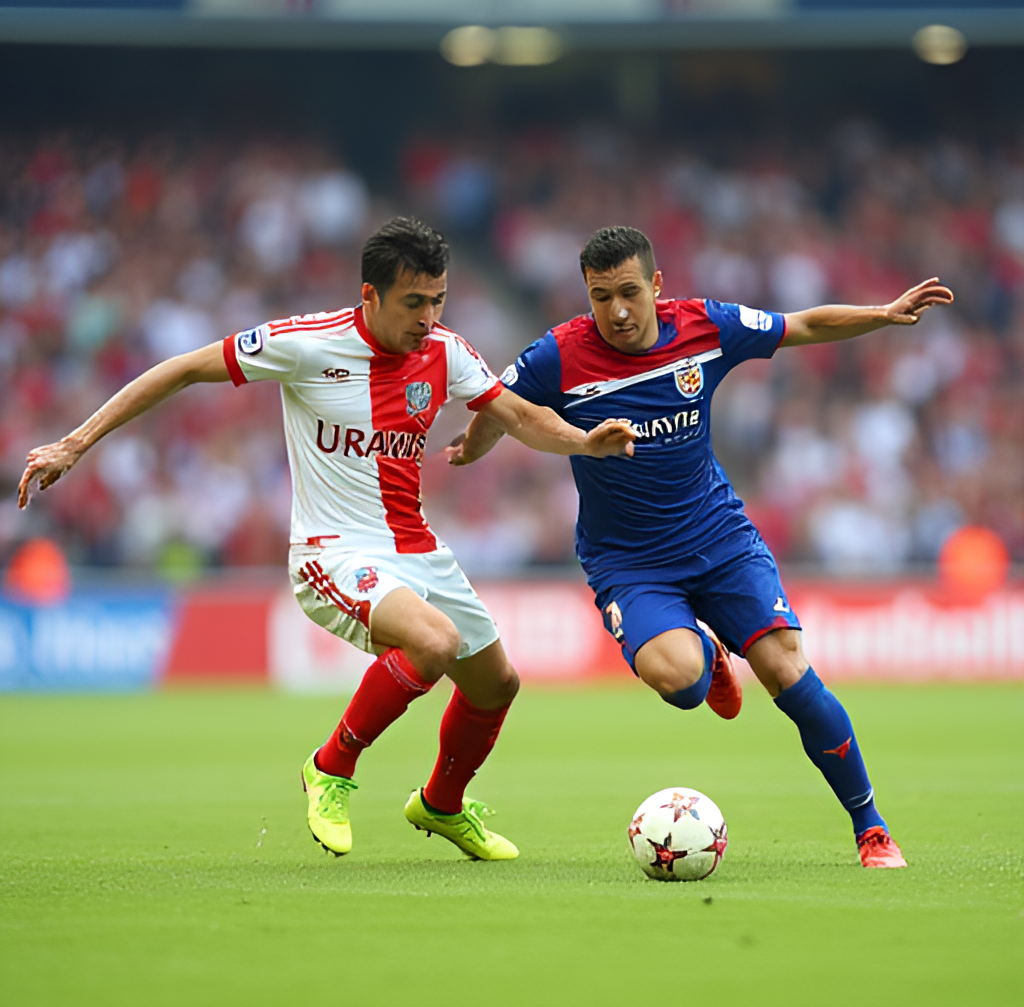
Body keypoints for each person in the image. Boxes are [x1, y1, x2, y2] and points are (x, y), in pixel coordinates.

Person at [18, 216, 635, 862]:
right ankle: (330, 768)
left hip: (417, 549)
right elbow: (181, 369)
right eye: (413, 303)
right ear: (369, 296)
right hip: (333, 551)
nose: (429, 318)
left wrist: (582, 442)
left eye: (439, 301)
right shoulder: (307, 344)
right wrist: (75, 442)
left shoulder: (446, 351)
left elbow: (517, 415)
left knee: (496, 685)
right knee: (434, 643)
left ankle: (441, 805)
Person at [449, 225, 954, 869]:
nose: (618, 310)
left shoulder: (704, 327)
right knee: (680, 681)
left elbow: (802, 326)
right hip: (631, 563)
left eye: (630, 292)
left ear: (657, 285)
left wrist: (881, 316)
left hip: (719, 539)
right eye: (601, 296)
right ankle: (710, 657)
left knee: (787, 673)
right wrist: (470, 447)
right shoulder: (560, 355)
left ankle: (871, 828)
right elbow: (501, 404)